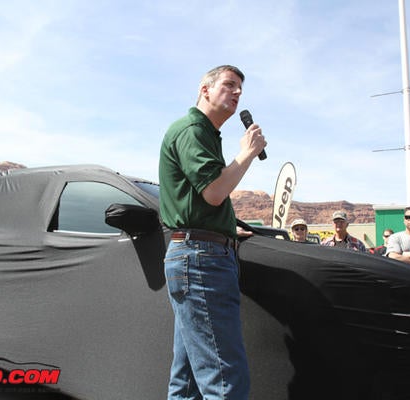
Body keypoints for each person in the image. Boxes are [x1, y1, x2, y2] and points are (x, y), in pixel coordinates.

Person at [158, 65, 266, 399]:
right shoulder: (193, 130)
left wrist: (224, 228)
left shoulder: (203, 134)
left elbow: (202, 202)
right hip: (202, 261)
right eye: (229, 85)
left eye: (240, 90)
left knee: (187, 381)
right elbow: (215, 192)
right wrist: (247, 152)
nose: (236, 93)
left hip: (198, 256)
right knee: (225, 382)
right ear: (205, 89)